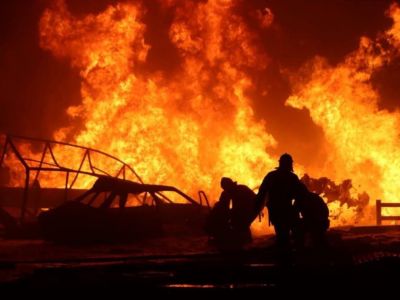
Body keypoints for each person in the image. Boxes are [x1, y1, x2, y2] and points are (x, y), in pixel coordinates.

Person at [254, 153, 303, 251]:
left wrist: (259, 206)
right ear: (290, 164)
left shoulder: (271, 176)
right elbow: (300, 194)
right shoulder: (292, 177)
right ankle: (287, 259)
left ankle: (283, 258)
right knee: (289, 236)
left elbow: (262, 193)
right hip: (287, 211)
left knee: (282, 235)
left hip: (276, 211)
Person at [205, 177, 256, 246]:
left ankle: (245, 240)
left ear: (230, 184)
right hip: (238, 213)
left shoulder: (242, 189)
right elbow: (222, 205)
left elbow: (252, 201)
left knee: (240, 223)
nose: (226, 190)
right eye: (224, 188)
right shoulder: (226, 192)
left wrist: (231, 213)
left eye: (226, 187)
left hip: (248, 211)